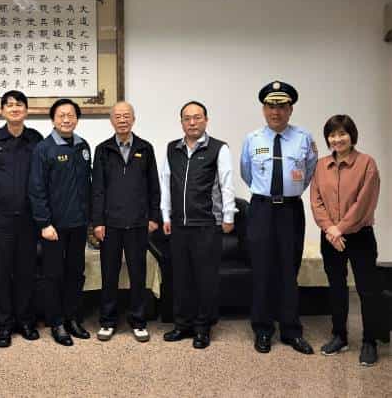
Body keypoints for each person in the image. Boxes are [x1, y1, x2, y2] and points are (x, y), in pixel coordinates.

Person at [240, 80, 317, 355]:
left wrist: (289, 191)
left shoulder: (304, 138)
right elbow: (247, 173)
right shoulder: (252, 139)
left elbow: (309, 172)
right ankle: (262, 330)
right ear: (264, 109)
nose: (276, 112)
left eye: (282, 106)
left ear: (290, 109)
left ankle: (291, 330)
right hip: (261, 209)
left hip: (290, 210)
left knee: (288, 269)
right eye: (271, 106)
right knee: (261, 269)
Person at [160, 101, 235, 349]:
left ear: (206, 120)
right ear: (181, 122)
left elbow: (226, 183)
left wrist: (228, 216)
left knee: (205, 278)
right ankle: (182, 325)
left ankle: (203, 328)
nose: (192, 122)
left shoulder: (218, 148)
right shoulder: (172, 148)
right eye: (187, 118)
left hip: (206, 224)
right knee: (181, 277)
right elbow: (165, 183)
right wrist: (165, 215)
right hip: (179, 225)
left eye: (197, 117)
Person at [310, 114, 384, 366]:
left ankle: (369, 341)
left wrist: (339, 229)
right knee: (337, 287)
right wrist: (330, 229)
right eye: (332, 135)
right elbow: (316, 201)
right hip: (330, 236)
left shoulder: (366, 163)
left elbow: (365, 203)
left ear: (352, 135)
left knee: (367, 290)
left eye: (342, 133)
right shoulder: (321, 166)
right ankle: (339, 336)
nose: (337, 139)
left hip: (360, 235)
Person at [0, 90, 43, 348]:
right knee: (0, 273)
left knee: (26, 271)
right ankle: (3, 325)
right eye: (9, 105)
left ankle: (25, 321)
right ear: (2, 110)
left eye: (19, 104)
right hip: (0, 218)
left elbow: (41, 175)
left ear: (26, 110)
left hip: (28, 217)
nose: (15, 108)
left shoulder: (35, 139)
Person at [92, 101, 160, 342]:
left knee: (137, 274)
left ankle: (138, 321)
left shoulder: (145, 148)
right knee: (109, 274)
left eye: (126, 116)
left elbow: (154, 186)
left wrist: (154, 217)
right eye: (118, 116)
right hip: (110, 224)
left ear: (133, 119)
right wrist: (97, 222)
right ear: (111, 120)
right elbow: (97, 189)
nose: (122, 120)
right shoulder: (103, 149)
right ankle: (107, 321)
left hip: (138, 223)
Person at [29, 98, 92, 346]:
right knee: (53, 275)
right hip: (53, 227)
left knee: (76, 273)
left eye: (71, 115)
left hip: (79, 224)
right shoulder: (43, 149)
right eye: (61, 115)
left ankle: (72, 318)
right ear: (53, 120)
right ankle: (56, 322)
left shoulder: (83, 145)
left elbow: (87, 185)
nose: (66, 119)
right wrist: (44, 223)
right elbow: (36, 189)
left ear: (77, 118)